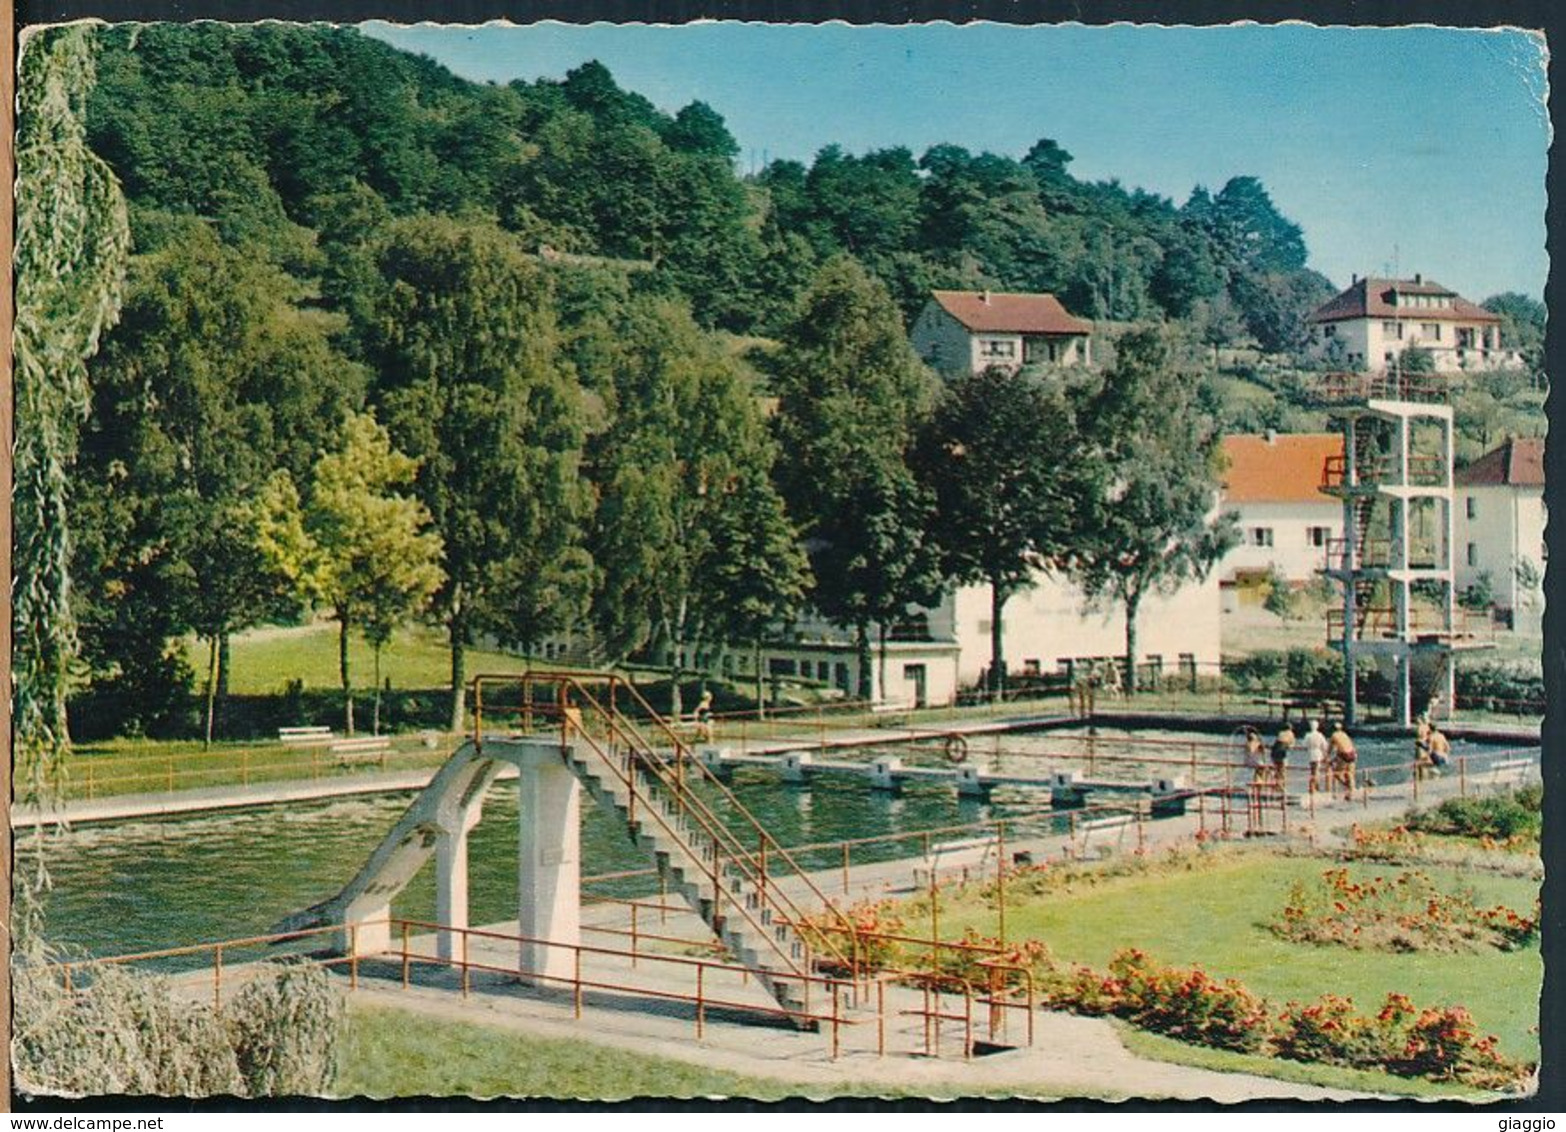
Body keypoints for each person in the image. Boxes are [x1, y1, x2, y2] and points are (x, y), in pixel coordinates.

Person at [1329, 720, 1357, 801]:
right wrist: (1335, 759)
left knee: (1337, 774)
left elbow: (1329, 749)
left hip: (1344, 755)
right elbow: (1343, 749)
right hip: (1352, 754)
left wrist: (1327, 758)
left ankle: (1347, 786)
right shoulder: (1344, 735)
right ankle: (1351, 793)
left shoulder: (1333, 736)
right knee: (1350, 774)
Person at [1302, 718, 1329, 793]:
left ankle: (1313, 787)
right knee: (1316, 771)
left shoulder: (1308, 735)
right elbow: (1325, 745)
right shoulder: (1320, 735)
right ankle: (1315, 787)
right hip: (1318, 753)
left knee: (1312, 771)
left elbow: (1304, 744)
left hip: (1311, 754)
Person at [1270, 724, 1296, 790]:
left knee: (1277, 769)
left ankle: (1277, 785)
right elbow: (1292, 745)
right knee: (1282, 770)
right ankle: (1282, 786)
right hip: (1282, 751)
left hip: (1275, 751)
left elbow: (1276, 742)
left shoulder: (1280, 733)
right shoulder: (1291, 734)